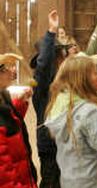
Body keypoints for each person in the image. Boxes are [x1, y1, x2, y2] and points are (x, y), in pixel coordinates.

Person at [30, 0, 97, 188]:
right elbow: (43, 65)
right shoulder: (42, 84)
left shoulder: (70, 83)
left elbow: (93, 49)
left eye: (64, 54)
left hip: (68, 148)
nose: (65, 58)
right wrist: (51, 32)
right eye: (60, 55)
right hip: (50, 146)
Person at [44, 55, 97, 188]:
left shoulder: (62, 107)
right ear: (82, 80)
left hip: (71, 182)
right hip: (94, 183)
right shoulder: (90, 113)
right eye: (95, 73)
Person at [0, 53, 37, 188]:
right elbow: (4, 173)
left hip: (24, 177)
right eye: (6, 68)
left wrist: (19, 103)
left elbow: (11, 123)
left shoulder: (4, 97)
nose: (12, 70)